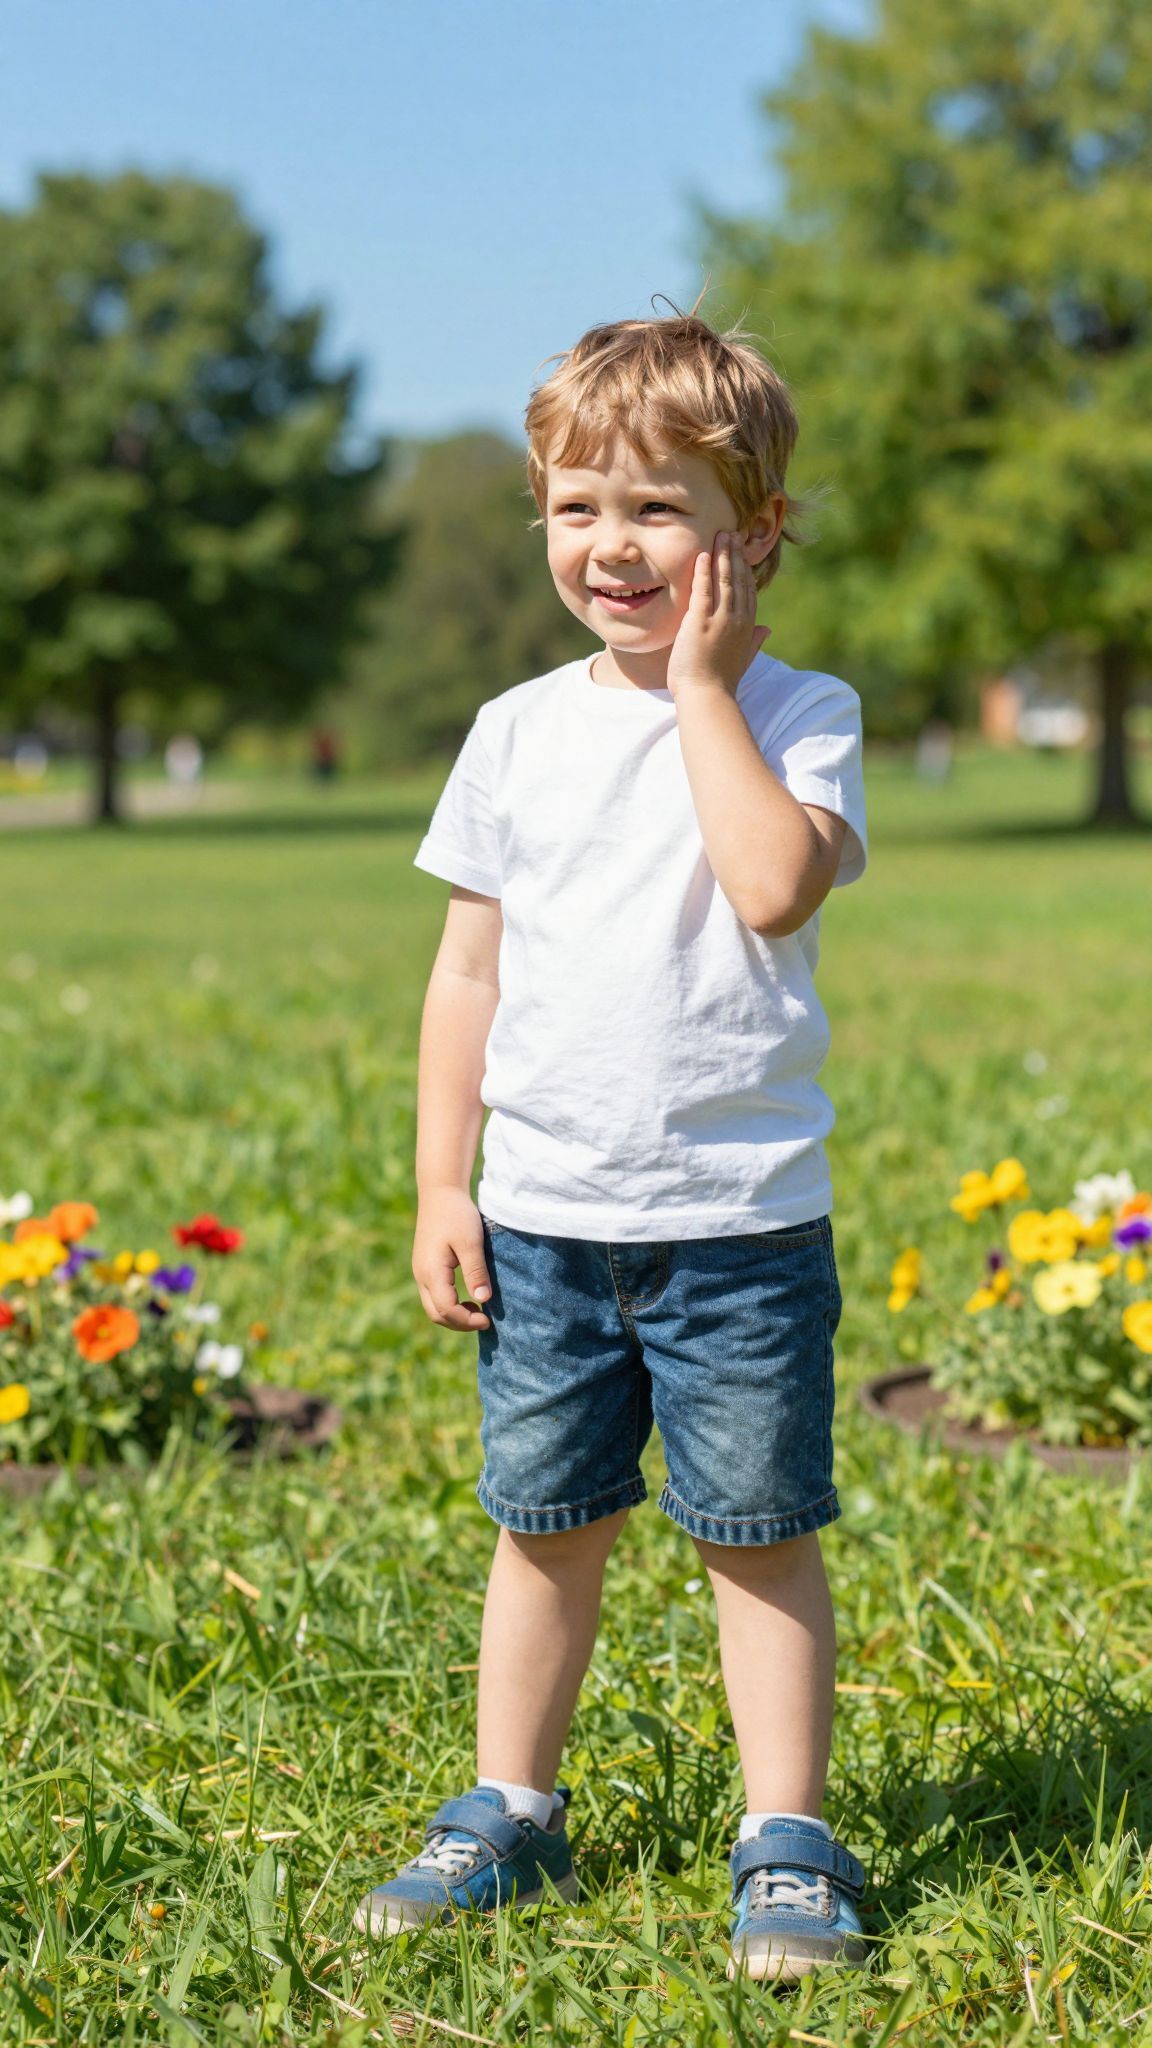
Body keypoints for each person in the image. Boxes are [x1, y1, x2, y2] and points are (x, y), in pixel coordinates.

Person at [355, 306, 870, 1982]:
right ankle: (511, 1800)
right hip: (550, 1219)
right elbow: (468, 972)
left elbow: (774, 883)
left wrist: (705, 691)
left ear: (754, 532)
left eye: (659, 508)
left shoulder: (799, 710)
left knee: (756, 1535)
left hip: (739, 1230)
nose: (613, 544)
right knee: (544, 1522)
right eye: (579, 506)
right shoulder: (515, 729)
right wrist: (445, 1177)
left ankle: (784, 1832)